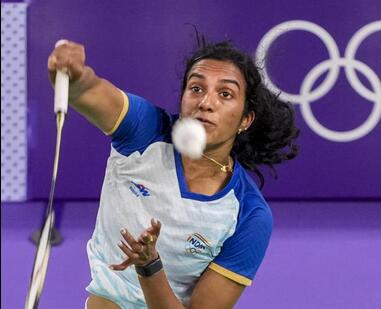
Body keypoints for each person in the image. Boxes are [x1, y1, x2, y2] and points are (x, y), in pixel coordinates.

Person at [47, 39, 299, 308]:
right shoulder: (144, 132)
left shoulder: (248, 215)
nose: (205, 102)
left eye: (225, 94)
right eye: (196, 88)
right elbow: (89, 91)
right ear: (182, 98)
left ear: (245, 119)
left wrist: (149, 265)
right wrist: (74, 76)